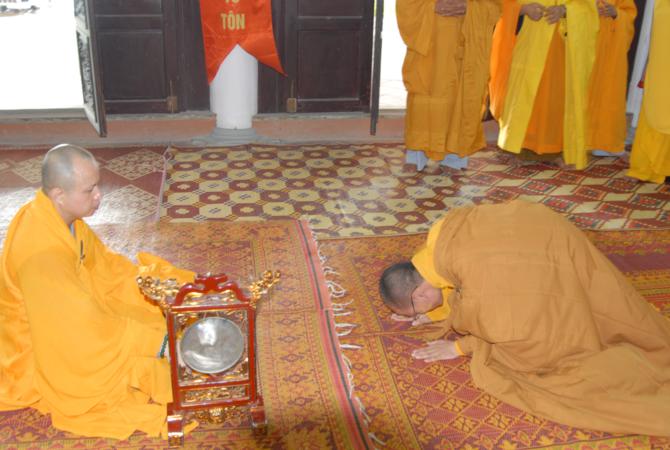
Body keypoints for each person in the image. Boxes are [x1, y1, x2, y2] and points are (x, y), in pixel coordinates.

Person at [379, 200, 670, 435]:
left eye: (418, 310)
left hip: (547, 249)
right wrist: (436, 312)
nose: (422, 315)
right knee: (598, 295)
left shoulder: (482, 288)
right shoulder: (440, 237)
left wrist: (458, 347)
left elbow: (504, 325)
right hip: (545, 226)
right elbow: (453, 280)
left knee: (530, 354)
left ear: (419, 294)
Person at [0, 144, 194, 439]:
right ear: (59, 195)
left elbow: (106, 268)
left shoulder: (58, 215)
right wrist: (155, 343)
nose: (98, 195)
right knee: (144, 347)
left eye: (97, 186)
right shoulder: (42, 255)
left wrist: (157, 289)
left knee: (149, 313)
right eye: (89, 190)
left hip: (73, 305)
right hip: (37, 346)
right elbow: (78, 328)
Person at [491, 0, 599, 169]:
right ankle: (519, 148)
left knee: (555, 98)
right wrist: (523, 9)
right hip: (528, 41)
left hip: (562, 45)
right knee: (524, 96)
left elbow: (588, 8)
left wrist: (565, 10)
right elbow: (499, 4)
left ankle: (555, 151)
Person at [398, 0, 501, 171]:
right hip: (430, 42)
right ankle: (415, 155)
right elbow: (406, 5)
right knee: (423, 98)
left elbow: (494, 6)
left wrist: (470, 8)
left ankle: (454, 158)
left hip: (464, 45)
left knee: (460, 99)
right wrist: (432, 6)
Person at [587, 0, 637, 157]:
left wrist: (616, 14)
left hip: (609, 47)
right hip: (581, 43)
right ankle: (575, 138)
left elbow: (629, 14)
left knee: (608, 91)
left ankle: (603, 141)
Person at [627, 0, 670, 184]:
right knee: (656, 108)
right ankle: (649, 167)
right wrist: (647, 65)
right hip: (661, 66)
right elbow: (655, 36)